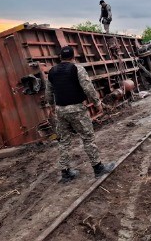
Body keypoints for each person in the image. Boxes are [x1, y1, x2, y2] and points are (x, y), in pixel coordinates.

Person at [44, 46, 116, 183]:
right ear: (73, 57)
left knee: (63, 141)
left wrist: (52, 106)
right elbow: (87, 87)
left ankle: (65, 173)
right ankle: (98, 168)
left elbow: (48, 92)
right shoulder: (77, 69)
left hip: (60, 110)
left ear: (60, 57)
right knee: (88, 138)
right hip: (76, 109)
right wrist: (97, 102)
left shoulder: (52, 71)